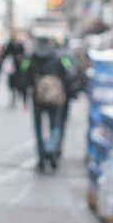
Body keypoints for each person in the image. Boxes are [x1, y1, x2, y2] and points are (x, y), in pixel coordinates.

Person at [22, 35, 76, 172]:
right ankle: (52, 149)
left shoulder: (32, 57)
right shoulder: (60, 56)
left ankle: (41, 158)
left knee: (39, 128)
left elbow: (24, 71)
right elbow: (69, 74)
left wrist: (25, 94)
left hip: (37, 96)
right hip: (55, 97)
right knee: (55, 125)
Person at [1, 32, 27, 107]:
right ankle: (13, 97)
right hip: (11, 68)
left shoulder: (20, 45)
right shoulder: (9, 44)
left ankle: (16, 96)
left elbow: (23, 56)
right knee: (12, 83)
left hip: (18, 68)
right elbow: (5, 54)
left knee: (18, 83)